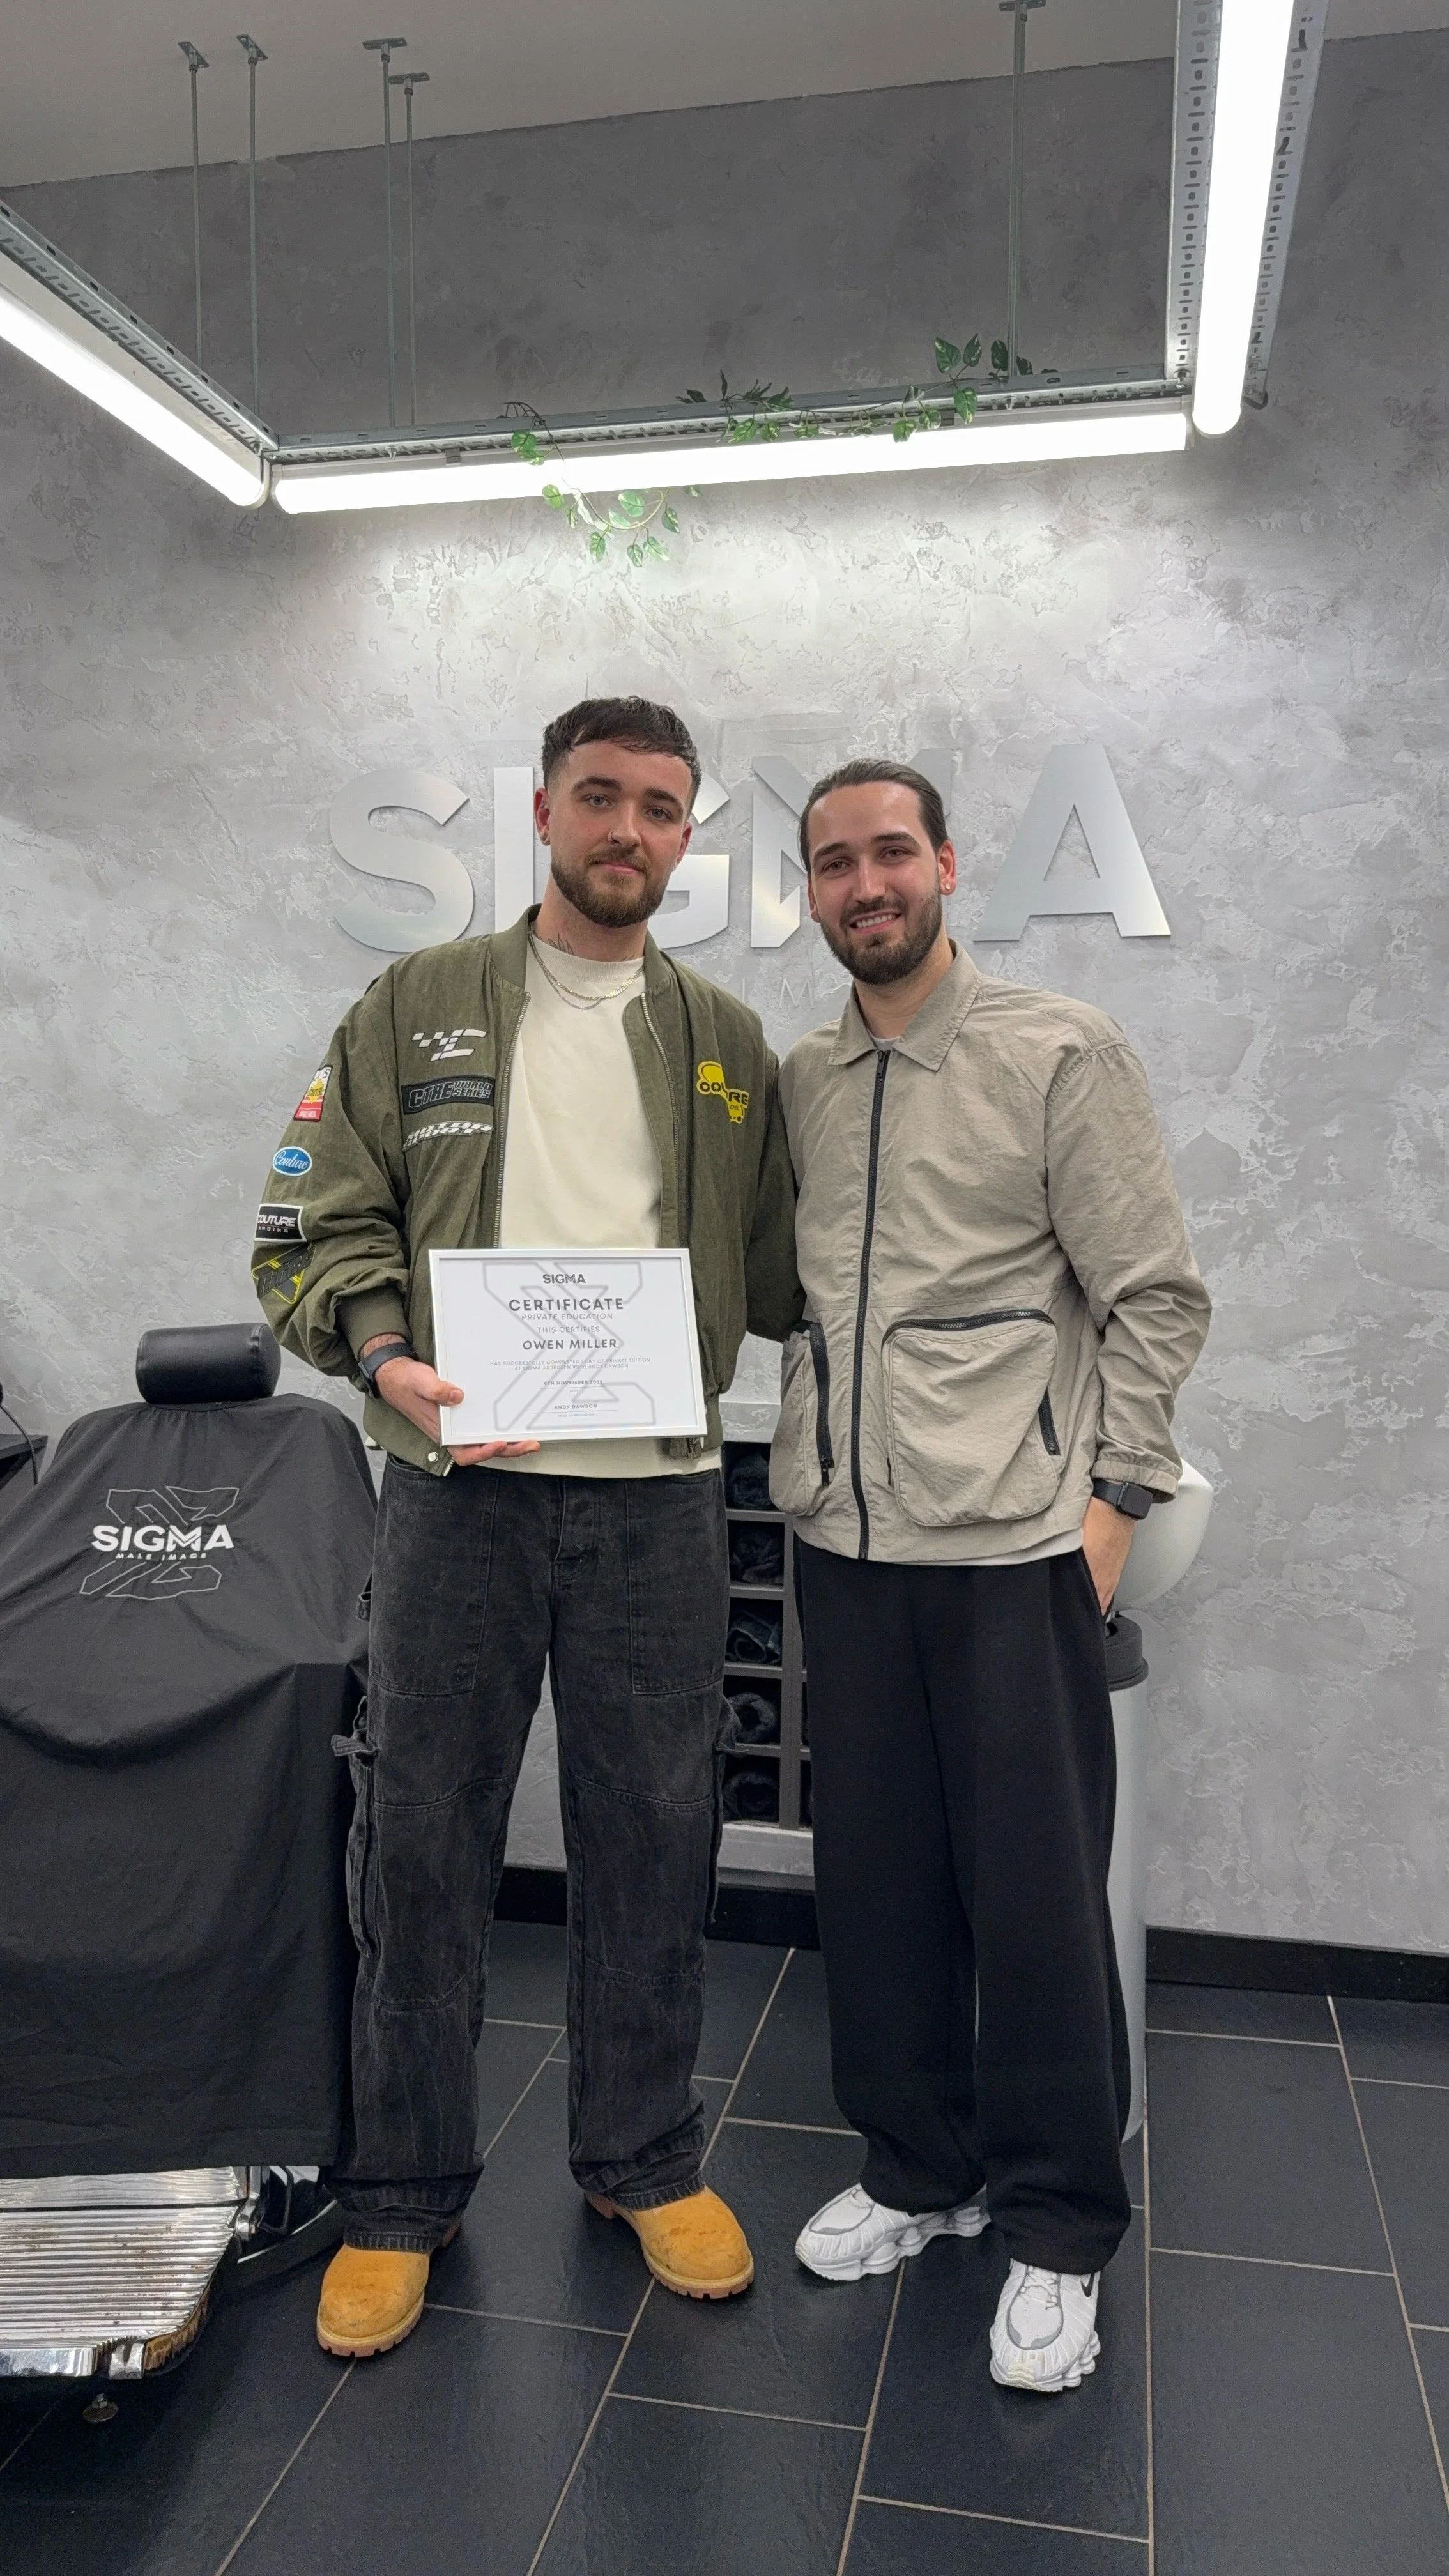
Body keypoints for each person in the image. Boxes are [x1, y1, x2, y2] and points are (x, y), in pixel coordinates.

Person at [253, 696, 801, 2359]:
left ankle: (643, 2156)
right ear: (546, 813)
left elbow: (787, 1262)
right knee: (419, 1838)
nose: (629, 829)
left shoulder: (724, 1039)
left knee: (657, 1834)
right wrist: (384, 1358)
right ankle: (400, 2193)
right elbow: (317, 1218)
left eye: (661, 807)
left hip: (658, 1500)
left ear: (687, 835)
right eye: (600, 797)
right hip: (454, 1493)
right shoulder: (412, 1005)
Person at [774, 759, 1209, 2395]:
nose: (867, 884)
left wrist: (1112, 1511)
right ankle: (919, 2173)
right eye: (835, 862)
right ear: (813, 892)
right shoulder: (808, 1077)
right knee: (878, 1891)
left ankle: (1059, 2226)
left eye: (892, 851)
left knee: (1034, 1907)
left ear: (948, 865)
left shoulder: (1057, 1050)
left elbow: (1155, 1296)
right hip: (848, 1546)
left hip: (1018, 1550)